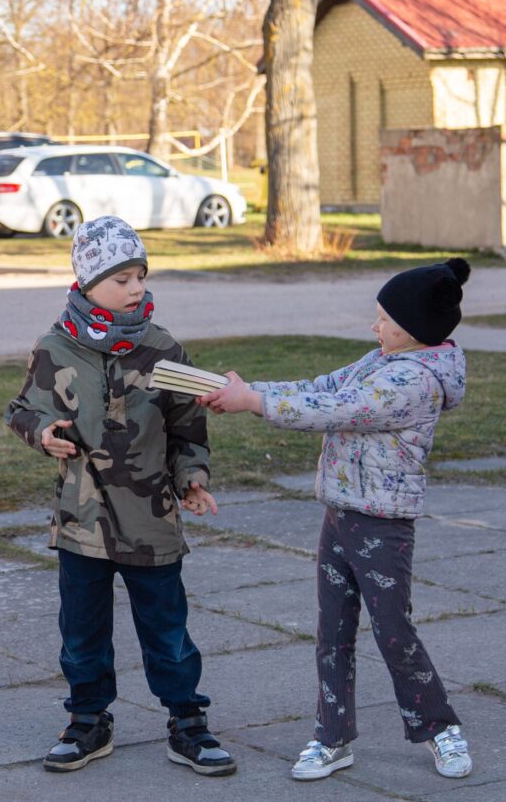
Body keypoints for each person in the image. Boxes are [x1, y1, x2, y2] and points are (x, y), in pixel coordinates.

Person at [199, 258, 473, 782]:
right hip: (341, 516)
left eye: (384, 319)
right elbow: (321, 387)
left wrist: (252, 402)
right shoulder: (380, 360)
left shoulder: (415, 383)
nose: (376, 327)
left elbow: (338, 410)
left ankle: (440, 728)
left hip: (383, 526)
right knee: (333, 633)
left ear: (414, 328)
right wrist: (248, 389)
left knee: (394, 633)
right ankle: (333, 738)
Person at [5, 216, 236, 776]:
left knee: (168, 631)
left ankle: (188, 721)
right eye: (121, 279)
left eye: (139, 276)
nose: (136, 289)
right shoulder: (54, 348)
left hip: (151, 520)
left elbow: (187, 429)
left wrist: (193, 478)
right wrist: (42, 433)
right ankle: (88, 720)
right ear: (87, 285)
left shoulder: (162, 348)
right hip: (81, 521)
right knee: (82, 632)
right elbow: (23, 410)